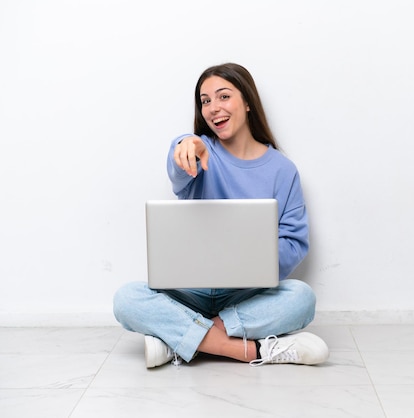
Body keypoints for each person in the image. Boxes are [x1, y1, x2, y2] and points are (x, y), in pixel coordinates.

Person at [113, 63, 329, 368]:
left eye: (223, 96)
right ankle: (252, 351)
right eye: (205, 101)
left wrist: (245, 255)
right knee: (127, 299)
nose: (213, 108)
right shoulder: (199, 154)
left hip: (244, 295)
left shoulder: (283, 170)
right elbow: (180, 163)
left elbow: (293, 245)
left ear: (248, 102)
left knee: (302, 299)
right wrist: (185, 144)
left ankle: (180, 341)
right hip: (190, 291)